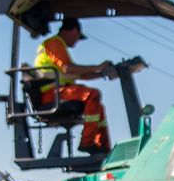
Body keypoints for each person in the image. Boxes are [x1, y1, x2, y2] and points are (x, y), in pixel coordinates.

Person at [33, 17, 116, 154]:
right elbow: (68, 69)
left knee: (98, 108)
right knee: (92, 94)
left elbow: (79, 74)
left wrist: (103, 73)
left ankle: (103, 147)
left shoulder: (60, 48)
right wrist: (97, 67)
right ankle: (87, 142)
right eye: (78, 37)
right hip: (52, 93)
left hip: (61, 91)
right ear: (74, 30)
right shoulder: (54, 43)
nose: (77, 41)